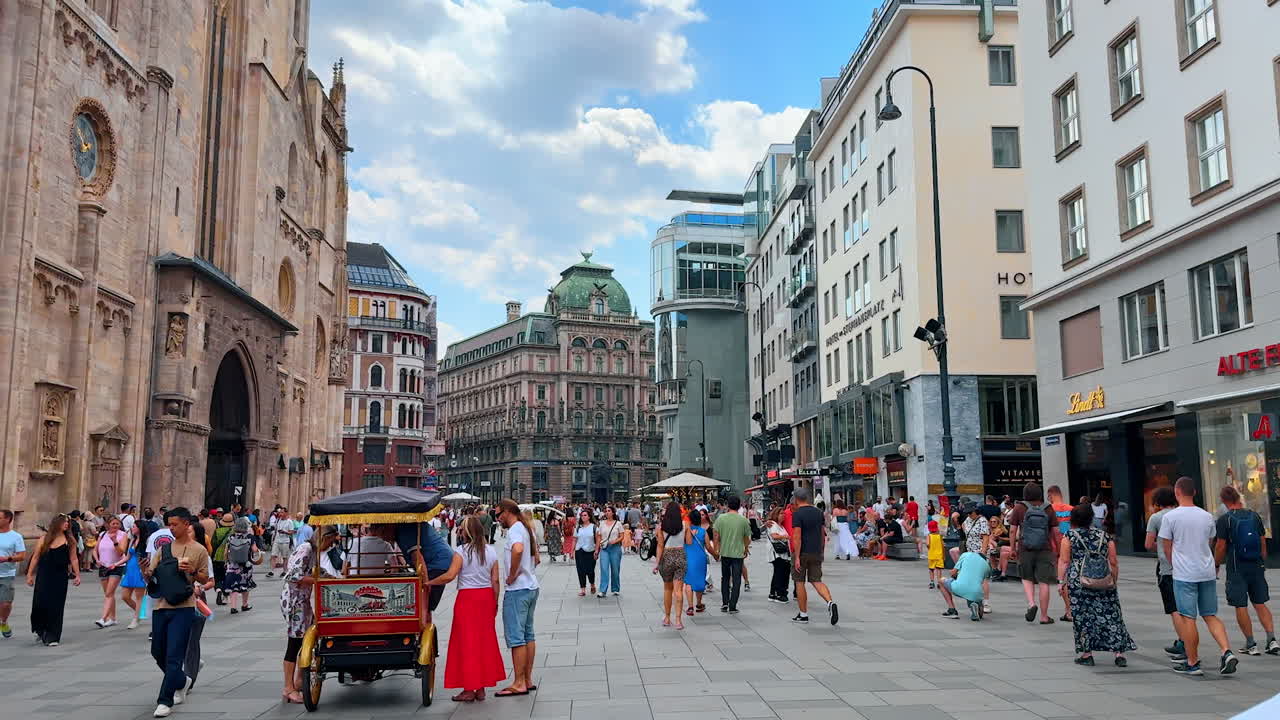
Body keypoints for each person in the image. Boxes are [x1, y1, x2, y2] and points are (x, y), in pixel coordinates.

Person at [1159, 477, 1238, 676]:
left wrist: (1175, 562)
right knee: (1210, 614)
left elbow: (1166, 546)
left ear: (1177, 492)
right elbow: (1210, 542)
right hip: (1206, 570)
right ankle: (1226, 651)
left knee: (1188, 618)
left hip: (1184, 573)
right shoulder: (1206, 516)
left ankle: (1192, 662)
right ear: (1194, 492)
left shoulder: (1171, 517)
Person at [429, 516, 505, 702]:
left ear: (467, 532)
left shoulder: (461, 552)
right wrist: (494, 602)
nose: (459, 532)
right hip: (486, 598)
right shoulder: (491, 551)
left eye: (462, 529)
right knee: (483, 643)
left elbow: (450, 575)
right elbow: (495, 580)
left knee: (467, 643)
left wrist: (429, 582)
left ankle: (469, 688)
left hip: (467, 599)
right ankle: (480, 688)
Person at [145, 508, 210, 718]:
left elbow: (204, 579)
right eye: (169, 525)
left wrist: (191, 571)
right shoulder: (163, 549)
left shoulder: (199, 550)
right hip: (162, 606)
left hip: (184, 607)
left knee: (174, 655)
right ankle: (182, 680)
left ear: (185, 524)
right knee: (157, 652)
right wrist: (145, 571)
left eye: (174, 524)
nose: (171, 528)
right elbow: (152, 577)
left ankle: (165, 700)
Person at [1058, 503, 1135, 667]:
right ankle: (1119, 653)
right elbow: (1113, 561)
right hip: (1104, 580)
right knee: (1112, 615)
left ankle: (1087, 654)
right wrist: (1114, 579)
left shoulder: (1069, 536)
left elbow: (1064, 561)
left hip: (1079, 582)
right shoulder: (1104, 536)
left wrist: (1060, 582)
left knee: (1083, 617)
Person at [1213, 485, 1277, 656]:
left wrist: (1216, 564)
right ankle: (1272, 640)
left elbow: (1220, 546)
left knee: (1240, 605)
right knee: (1260, 602)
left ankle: (1251, 643)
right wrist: (1261, 559)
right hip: (1256, 565)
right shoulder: (1254, 515)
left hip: (1236, 567)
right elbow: (1262, 540)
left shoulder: (1225, 520)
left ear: (1224, 501)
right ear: (1238, 498)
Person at [280, 525, 340, 704]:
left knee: (308, 637)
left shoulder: (314, 551)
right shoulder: (305, 549)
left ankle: (299, 679)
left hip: (303, 601)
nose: (329, 546)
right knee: (295, 642)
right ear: (324, 537)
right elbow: (293, 575)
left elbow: (316, 570)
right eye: (329, 541)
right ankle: (288, 688)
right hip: (294, 601)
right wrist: (318, 580)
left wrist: (331, 578)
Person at [495, 498, 539, 697]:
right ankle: (527, 679)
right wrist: (526, 570)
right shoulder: (525, 527)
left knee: (516, 637)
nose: (497, 519)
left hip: (518, 590)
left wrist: (512, 575)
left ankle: (519, 682)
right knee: (528, 635)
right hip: (531, 587)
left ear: (506, 512)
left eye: (498, 515)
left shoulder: (514, 530)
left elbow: (518, 550)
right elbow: (536, 558)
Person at [27, 514, 80, 646]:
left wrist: (77, 575)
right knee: (40, 603)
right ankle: (41, 628)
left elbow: (73, 558)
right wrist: (29, 574)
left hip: (60, 576)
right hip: (44, 575)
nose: (67, 524)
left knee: (56, 605)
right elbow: (35, 557)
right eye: (64, 522)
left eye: (68, 522)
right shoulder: (44, 539)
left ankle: (53, 635)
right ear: (57, 523)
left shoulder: (70, 540)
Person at [1008, 482, 1057, 624]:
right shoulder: (1048, 508)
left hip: (1025, 548)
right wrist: (1057, 549)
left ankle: (1031, 604)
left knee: (1027, 577)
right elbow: (1055, 531)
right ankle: (1044, 616)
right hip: (1044, 548)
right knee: (1044, 581)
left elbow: (1012, 530)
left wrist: (1012, 548)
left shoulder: (1019, 507)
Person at [790, 488, 838, 625]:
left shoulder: (798, 514)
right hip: (816, 552)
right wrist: (821, 551)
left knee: (799, 582)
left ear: (796, 499)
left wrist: (797, 556)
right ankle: (830, 602)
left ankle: (803, 614)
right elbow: (823, 534)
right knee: (817, 580)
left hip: (803, 552)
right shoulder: (818, 512)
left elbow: (797, 536)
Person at [1144, 486, 1181, 659]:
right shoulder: (1182, 513)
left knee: (1174, 608)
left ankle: (1183, 642)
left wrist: (1159, 546)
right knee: (1186, 607)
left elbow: (1147, 544)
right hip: (1187, 566)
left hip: (1167, 567)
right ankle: (1186, 640)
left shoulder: (1156, 518)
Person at [712, 495, 751, 614]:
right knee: (737, 579)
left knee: (725, 578)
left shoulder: (721, 518)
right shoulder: (743, 520)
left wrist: (716, 550)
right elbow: (747, 538)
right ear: (739, 506)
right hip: (738, 554)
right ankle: (733, 605)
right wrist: (745, 548)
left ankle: (725, 603)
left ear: (728, 505)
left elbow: (716, 536)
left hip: (725, 552)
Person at [654, 502, 689, 629]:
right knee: (678, 590)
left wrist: (656, 563)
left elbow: (660, 546)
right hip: (680, 556)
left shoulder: (661, 527)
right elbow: (689, 542)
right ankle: (678, 620)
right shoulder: (685, 525)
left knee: (668, 589)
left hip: (667, 557)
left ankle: (667, 618)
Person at [95, 514, 129, 627]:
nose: (115, 526)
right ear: (108, 524)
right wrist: (97, 560)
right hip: (104, 566)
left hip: (116, 566)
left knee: (109, 593)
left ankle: (103, 618)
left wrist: (115, 541)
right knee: (108, 594)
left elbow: (121, 552)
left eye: (117, 524)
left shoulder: (123, 535)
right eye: (113, 523)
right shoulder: (102, 534)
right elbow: (96, 549)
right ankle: (113, 618)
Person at [939, 548, 989, 621]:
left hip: (959, 587)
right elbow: (982, 581)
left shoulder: (966, 555)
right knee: (973, 595)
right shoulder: (987, 566)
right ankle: (976, 607)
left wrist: (954, 574)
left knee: (941, 581)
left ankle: (952, 610)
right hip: (976, 592)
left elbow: (953, 572)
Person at [223, 517, 260, 614]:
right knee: (245, 585)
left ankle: (233, 607)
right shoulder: (250, 537)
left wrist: (226, 562)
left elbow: (226, 552)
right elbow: (255, 550)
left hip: (233, 565)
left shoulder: (231, 537)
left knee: (233, 586)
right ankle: (244, 604)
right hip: (245, 565)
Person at [0, 509, 27, 639]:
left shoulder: (16, 537)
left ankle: (3, 622)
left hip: (7, 574)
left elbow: (22, 556)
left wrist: (7, 559)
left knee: (6, 603)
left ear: (7, 520)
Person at [683, 508, 712, 615]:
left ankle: (690, 607)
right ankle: (699, 604)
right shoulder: (703, 532)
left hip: (688, 557)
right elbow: (708, 546)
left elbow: (686, 543)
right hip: (700, 558)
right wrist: (716, 554)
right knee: (700, 580)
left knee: (688, 582)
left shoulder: (686, 531)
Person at [597, 506, 624, 597]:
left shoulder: (618, 524)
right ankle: (603, 590)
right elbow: (599, 536)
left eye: (609, 511)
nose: (607, 512)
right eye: (606, 511)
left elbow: (622, 536)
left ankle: (615, 588)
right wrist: (597, 548)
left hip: (615, 548)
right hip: (604, 548)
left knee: (615, 569)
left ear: (613, 513)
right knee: (604, 569)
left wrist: (615, 541)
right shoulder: (601, 523)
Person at [765, 508, 791, 603]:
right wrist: (786, 537)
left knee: (778, 573)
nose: (783, 515)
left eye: (784, 513)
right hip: (776, 553)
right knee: (780, 573)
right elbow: (774, 536)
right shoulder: (773, 524)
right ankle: (779, 593)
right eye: (781, 513)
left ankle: (773, 593)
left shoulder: (781, 526)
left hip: (782, 553)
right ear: (776, 514)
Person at [210, 512, 235, 605]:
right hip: (229, 557)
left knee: (218, 576)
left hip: (217, 557)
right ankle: (225, 596)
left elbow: (213, 544)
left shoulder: (217, 531)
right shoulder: (234, 532)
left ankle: (218, 589)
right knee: (226, 576)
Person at [572, 510, 597, 597]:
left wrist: (597, 551)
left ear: (589, 516)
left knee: (590, 570)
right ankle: (583, 589)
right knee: (581, 571)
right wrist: (572, 551)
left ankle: (592, 584)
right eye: (582, 515)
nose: (583, 517)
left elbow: (597, 540)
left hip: (590, 551)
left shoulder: (594, 527)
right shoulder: (578, 527)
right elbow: (574, 539)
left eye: (585, 515)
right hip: (579, 551)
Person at [265, 508, 295, 578]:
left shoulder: (289, 522)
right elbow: (275, 530)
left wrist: (285, 532)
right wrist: (273, 539)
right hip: (277, 540)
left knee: (284, 557)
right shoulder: (278, 520)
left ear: (286, 513)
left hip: (285, 541)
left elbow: (291, 532)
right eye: (280, 512)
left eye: (282, 512)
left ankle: (284, 571)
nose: (280, 514)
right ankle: (271, 571)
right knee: (273, 555)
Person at [926, 520, 944, 589]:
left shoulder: (929, 536)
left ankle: (932, 582)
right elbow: (942, 545)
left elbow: (927, 544)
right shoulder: (940, 536)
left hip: (931, 555)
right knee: (939, 569)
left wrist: (929, 548)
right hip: (939, 555)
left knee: (931, 569)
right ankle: (939, 582)